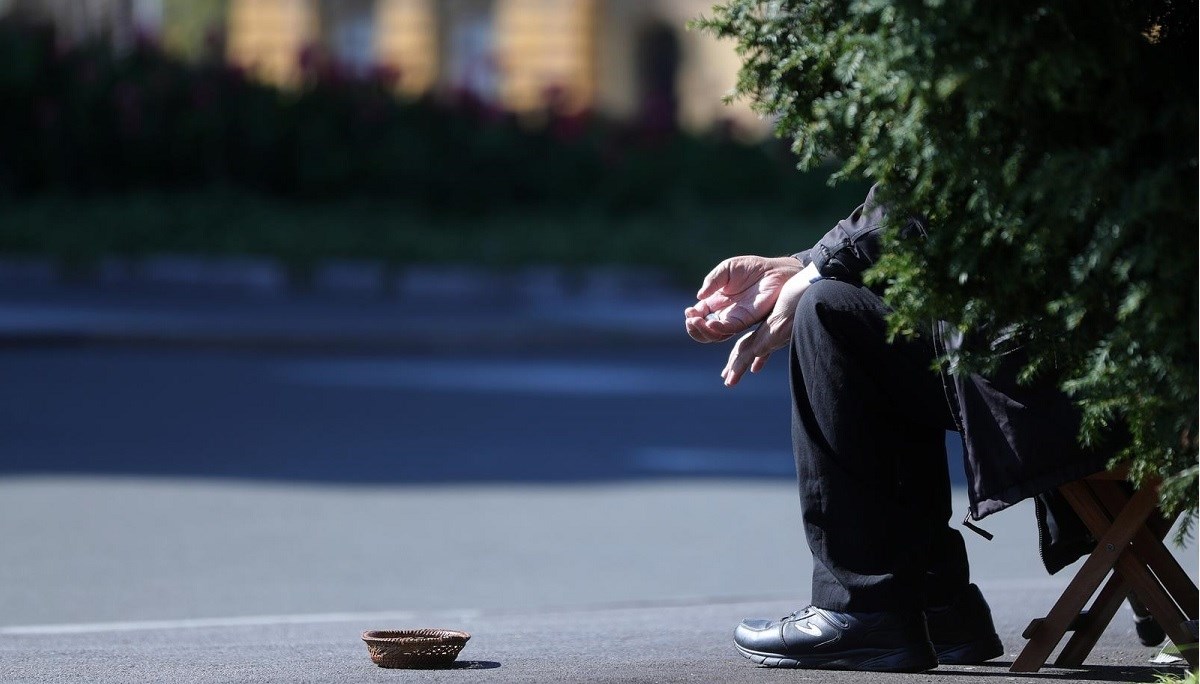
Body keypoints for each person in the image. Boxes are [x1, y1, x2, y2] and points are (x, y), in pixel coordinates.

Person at [684, 185, 1110, 672]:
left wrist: (812, 271)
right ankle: (934, 604)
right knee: (857, 306)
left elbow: (934, 185)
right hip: (1119, 351)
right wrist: (802, 265)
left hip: (1091, 372)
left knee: (832, 312)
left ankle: (868, 607)